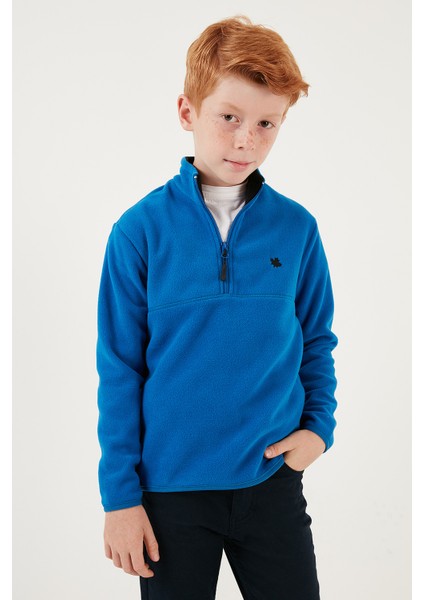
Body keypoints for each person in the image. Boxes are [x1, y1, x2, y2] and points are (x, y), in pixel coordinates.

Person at [96, 15, 338, 600]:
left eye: (266, 123)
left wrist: (319, 429)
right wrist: (120, 498)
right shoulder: (139, 232)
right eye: (229, 117)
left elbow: (316, 340)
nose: (245, 139)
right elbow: (120, 369)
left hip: (271, 481)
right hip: (170, 495)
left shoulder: (297, 229)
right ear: (187, 111)